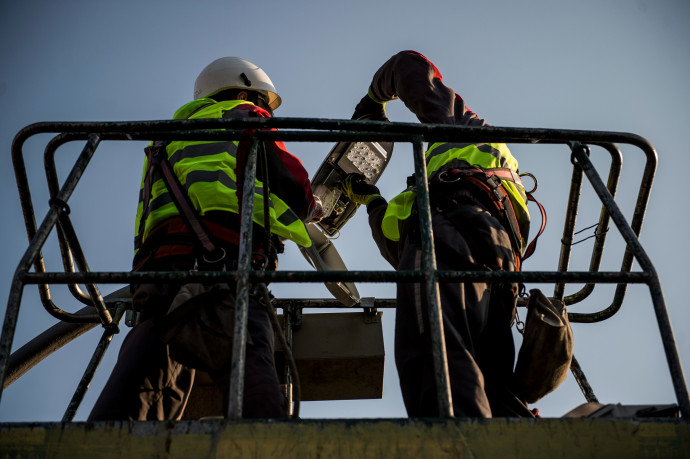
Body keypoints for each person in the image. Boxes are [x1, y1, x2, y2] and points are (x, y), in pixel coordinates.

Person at [88, 57, 315, 421]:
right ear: (243, 92)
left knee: (143, 384)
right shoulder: (244, 115)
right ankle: (267, 445)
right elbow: (296, 189)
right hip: (224, 267)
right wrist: (312, 208)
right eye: (260, 100)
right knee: (250, 360)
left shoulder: (169, 135)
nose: (262, 109)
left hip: (157, 276)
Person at [341, 50, 534, 417]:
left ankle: (451, 443)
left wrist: (371, 102)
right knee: (489, 374)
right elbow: (400, 242)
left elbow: (407, 67)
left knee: (434, 349)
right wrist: (372, 201)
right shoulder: (458, 179)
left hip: (453, 232)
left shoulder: (460, 127)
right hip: (500, 257)